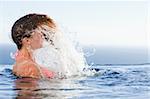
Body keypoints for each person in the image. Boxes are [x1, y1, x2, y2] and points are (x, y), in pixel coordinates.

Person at [11, 13, 56, 79]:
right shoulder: (29, 68)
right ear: (27, 40)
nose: (44, 36)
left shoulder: (25, 64)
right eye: (41, 32)